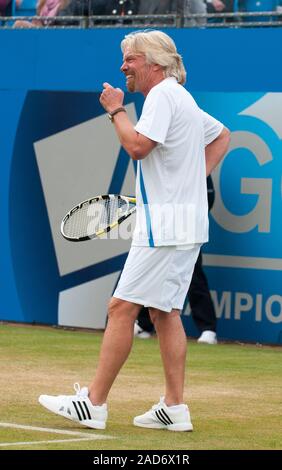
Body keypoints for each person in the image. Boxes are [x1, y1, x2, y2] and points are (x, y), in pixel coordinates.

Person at [38, 30, 230, 431]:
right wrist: (189, 186)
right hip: (186, 222)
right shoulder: (182, 97)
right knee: (164, 313)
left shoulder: (161, 96)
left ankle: (93, 403)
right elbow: (221, 136)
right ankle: (175, 408)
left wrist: (116, 111)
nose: (122, 66)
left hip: (165, 224)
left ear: (154, 64)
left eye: (130, 59)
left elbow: (138, 147)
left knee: (120, 308)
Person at [135, 175, 218, 345]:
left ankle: (207, 329)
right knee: (152, 272)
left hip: (187, 225)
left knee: (193, 274)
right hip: (161, 224)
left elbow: (208, 198)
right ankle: (144, 324)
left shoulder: (196, 163)